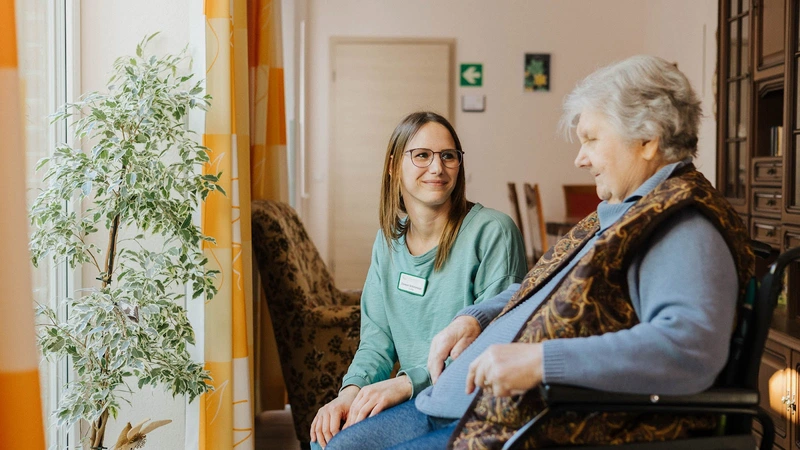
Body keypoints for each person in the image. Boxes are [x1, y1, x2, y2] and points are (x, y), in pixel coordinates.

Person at [321, 55, 755, 449]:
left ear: (647, 139)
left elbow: (689, 348)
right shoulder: (626, 213)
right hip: (465, 404)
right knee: (337, 446)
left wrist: (540, 361)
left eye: (591, 139)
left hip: (520, 424)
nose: (580, 159)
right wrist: (477, 317)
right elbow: (542, 288)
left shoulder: (681, 225)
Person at [309, 111, 528, 449]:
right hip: (418, 401)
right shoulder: (388, 241)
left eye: (448, 156)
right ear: (393, 166)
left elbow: (494, 345)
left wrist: (406, 384)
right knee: (328, 440)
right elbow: (376, 341)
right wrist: (349, 393)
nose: (437, 167)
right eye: (422, 155)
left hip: (471, 405)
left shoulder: (492, 231)